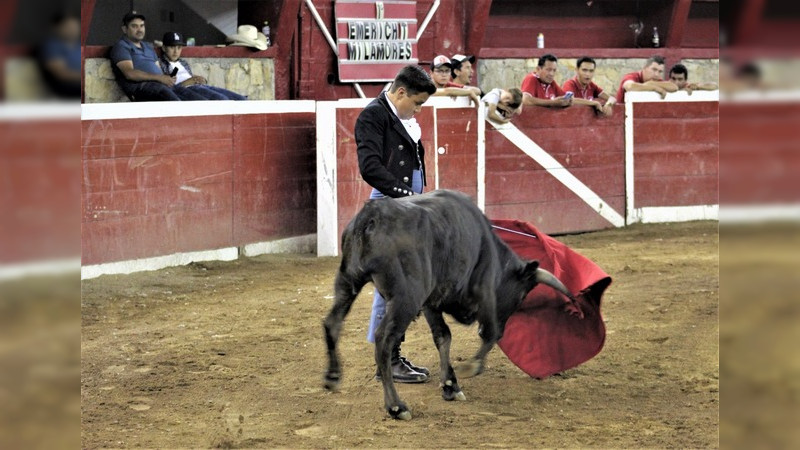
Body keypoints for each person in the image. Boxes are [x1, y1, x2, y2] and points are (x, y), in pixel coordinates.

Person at [355, 65, 437, 383]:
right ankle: (387, 360)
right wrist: (407, 197)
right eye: (416, 103)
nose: (417, 110)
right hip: (390, 209)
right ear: (401, 92)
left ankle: (389, 357)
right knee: (395, 286)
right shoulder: (373, 115)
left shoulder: (398, 116)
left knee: (394, 287)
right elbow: (370, 167)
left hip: (403, 206)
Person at [109, 11, 205, 101]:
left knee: (197, 99)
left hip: (162, 85)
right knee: (177, 106)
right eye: (134, 26)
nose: (139, 30)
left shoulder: (148, 46)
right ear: (125, 29)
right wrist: (159, 78)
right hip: (143, 88)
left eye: (142, 26)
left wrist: (168, 78)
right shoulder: (122, 46)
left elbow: (159, 70)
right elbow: (130, 73)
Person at [158, 32, 247, 100]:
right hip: (186, 90)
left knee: (239, 99)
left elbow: (188, 77)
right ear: (164, 48)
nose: (176, 51)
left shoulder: (182, 62)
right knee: (222, 100)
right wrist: (188, 82)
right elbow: (169, 89)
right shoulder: (162, 64)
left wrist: (197, 79)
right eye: (172, 47)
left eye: (179, 48)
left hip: (199, 86)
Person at [37, 11, 81, 98]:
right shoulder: (52, 45)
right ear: (57, 28)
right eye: (68, 26)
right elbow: (62, 74)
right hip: (65, 89)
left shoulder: (79, 44)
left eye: (75, 26)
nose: (73, 30)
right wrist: (85, 77)